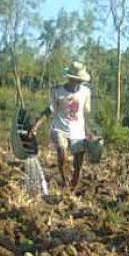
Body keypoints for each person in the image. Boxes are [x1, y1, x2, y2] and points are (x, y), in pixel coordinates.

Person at [31, 61, 93, 190]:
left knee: (78, 164)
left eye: (79, 81)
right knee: (62, 154)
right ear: (70, 78)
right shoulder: (57, 91)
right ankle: (65, 182)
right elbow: (50, 110)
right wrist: (36, 126)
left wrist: (89, 132)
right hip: (60, 128)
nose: (77, 83)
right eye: (75, 80)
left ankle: (73, 187)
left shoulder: (86, 92)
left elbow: (85, 115)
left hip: (78, 131)